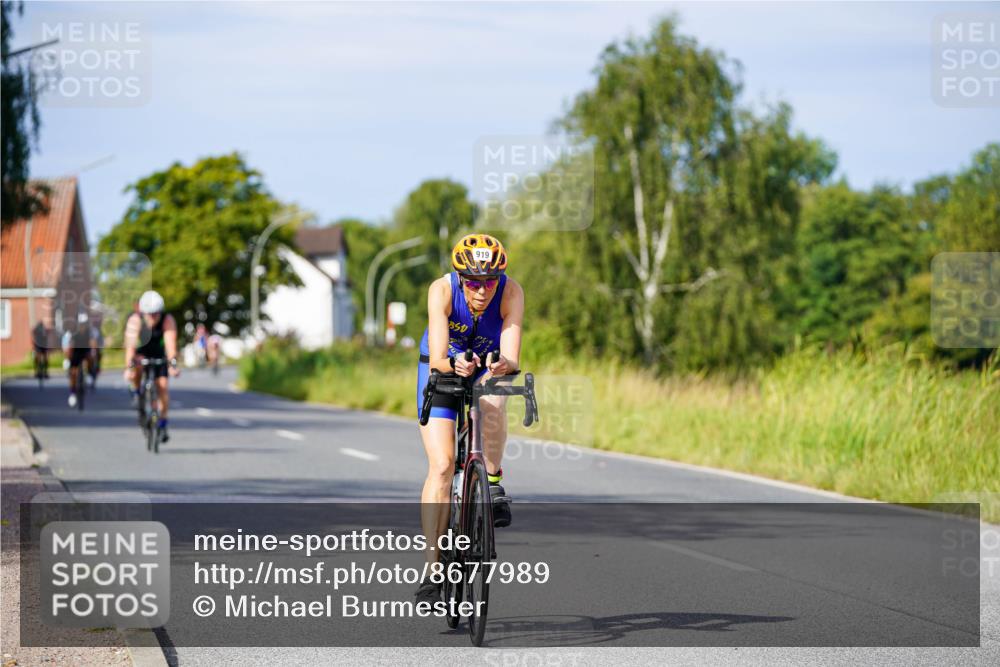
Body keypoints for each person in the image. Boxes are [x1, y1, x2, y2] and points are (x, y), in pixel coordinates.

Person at [414, 233, 524, 605]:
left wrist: (502, 365)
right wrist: (454, 364)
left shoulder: (512, 294)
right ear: (460, 278)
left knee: (494, 395)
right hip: (444, 365)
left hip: (486, 365)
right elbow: (440, 357)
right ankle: (433, 570)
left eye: (489, 281)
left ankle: (491, 481)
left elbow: (511, 358)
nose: (482, 290)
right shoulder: (442, 291)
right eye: (474, 282)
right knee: (443, 465)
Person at [123, 290, 180, 442]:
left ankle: (163, 422)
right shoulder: (135, 321)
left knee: (162, 386)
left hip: (159, 354)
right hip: (141, 352)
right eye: (150, 314)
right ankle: (136, 391)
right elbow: (130, 346)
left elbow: (170, 344)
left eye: (156, 313)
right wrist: (129, 368)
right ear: (143, 312)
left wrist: (173, 364)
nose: (153, 317)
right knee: (137, 368)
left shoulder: (167, 320)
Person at [61, 313, 95, 407]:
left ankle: (89, 373)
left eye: (84, 323)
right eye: (81, 324)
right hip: (76, 352)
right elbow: (69, 345)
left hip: (85, 351)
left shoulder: (89, 331)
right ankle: (72, 393)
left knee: (90, 357)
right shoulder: (73, 332)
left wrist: (93, 351)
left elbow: (92, 342)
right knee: (73, 373)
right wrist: (68, 358)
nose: (82, 326)